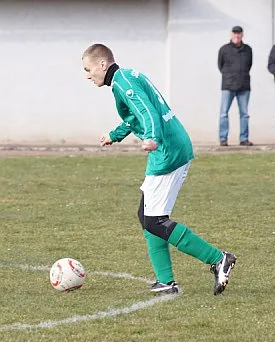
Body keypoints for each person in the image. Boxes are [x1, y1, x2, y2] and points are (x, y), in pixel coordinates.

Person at [82, 43, 237, 295]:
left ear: (102, 64)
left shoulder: (123, 83)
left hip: (167, 151)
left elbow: (147, 111)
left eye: (88, 69)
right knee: (146, 215)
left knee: (155, 220)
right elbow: (134, 116)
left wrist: (152, 137)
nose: (87, 75)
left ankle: (218, 258)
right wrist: (115, 134)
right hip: (171, 147)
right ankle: (165, 281)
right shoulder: (127, 76)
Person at [218, 26, 254, 147]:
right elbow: (220, 66)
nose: (237, 36)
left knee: (244, 114)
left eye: (239, 33)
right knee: (224, 113)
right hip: (228, 85)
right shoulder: (224, 49)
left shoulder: (248, 49)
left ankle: (244, 138)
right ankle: (223, 138)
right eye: (234, 33)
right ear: (231, 34)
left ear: (242, 35)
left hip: (244, 86)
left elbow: (249, 65)